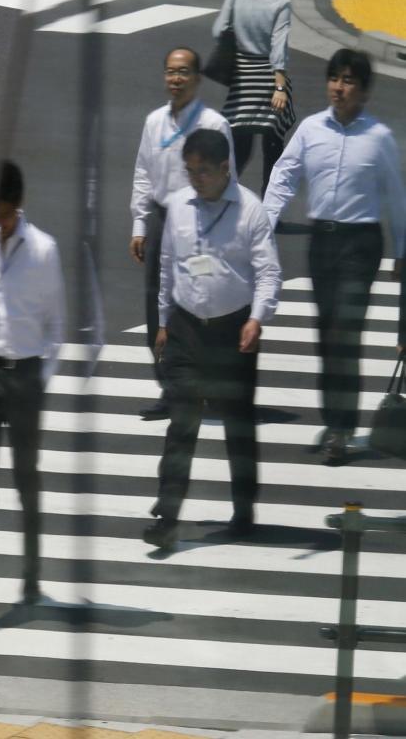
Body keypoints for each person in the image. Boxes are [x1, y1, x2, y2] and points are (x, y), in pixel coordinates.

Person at [263, 49, 406, 463]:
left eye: (348, 81)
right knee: (326, 338)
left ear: (363, 92)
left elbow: (396, 198)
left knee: (345, 335)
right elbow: (285, 173)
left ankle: (342, 429)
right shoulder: (310, 129)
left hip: (360, 245)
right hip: (321, 243)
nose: (338, 87)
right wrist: (266, 220)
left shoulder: (378, 137)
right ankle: (333, 419)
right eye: (334, 78)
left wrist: (402, 250)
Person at [143, 130, 281, 551]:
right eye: (190, 171)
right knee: (181, 425)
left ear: (225, 169)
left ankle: (244, 509)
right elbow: (167, 265)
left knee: (238, 426)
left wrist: (257, 318)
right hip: (186, 330)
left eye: (203, 171)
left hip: (232, 332)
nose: (195, 179)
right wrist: (164, 320)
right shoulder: (179, 208)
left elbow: (269, 272)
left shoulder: (250, 212)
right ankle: (167, 517)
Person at [0, 162, 65, 643]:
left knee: (26, 482)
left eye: (2, 211)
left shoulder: (43, 250)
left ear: (16, 206)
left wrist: (39, 379)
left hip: (25, 378)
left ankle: (31, 577)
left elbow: (56, 326)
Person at [131, 47, 235, 420]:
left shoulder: (213, 124)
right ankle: (171, 389)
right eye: (171, 72)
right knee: (155, 306)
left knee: (201, 304)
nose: (176, 79)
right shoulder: (154, 122)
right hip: (162, 220)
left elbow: (229, 180)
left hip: (200, 222)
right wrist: (140, 225)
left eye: (184, 72)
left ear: (197, 78)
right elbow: (143, 173)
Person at [212, 0, 295, 198]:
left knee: (240, 146)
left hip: (243, 79)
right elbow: (279, 51)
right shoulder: (281, 5)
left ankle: (224, 194)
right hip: (269, 81)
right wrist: (279, 87)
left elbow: (219, 30)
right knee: (273, 147)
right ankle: (269, 204)